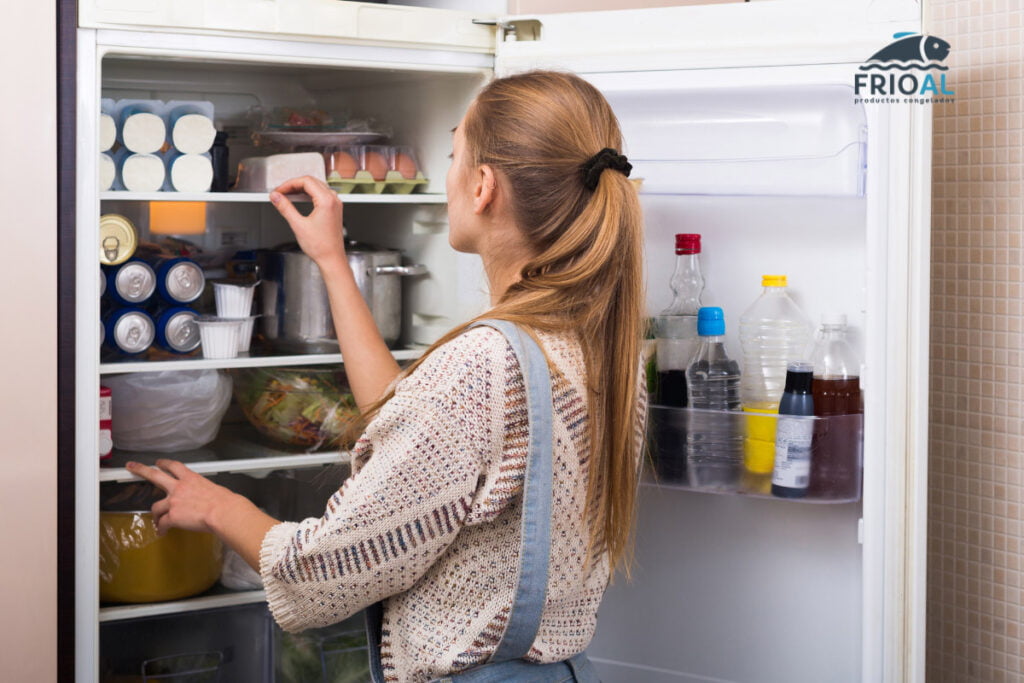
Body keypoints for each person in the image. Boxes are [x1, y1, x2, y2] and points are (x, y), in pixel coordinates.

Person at [127, 69, 646, 682]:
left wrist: (218, 507)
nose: (449, 174)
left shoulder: (481, 365)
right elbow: (408, 421)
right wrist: (330, 259)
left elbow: (323, 577)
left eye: (455, 156)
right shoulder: (596, 349)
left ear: (482, 187)